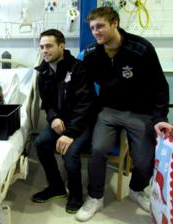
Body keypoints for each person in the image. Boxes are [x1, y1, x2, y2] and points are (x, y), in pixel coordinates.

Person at [76, 7, 169, 222]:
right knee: (97, 150)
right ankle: (95, 197)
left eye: (100, 26)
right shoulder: (91, 54)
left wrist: (160, 118)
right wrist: (93, 112)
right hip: (108, 111)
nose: (96, 32)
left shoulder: (141, 48)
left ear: (115, 23)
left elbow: (160, 86)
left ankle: (137, 190)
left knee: (145, 161)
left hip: (140, 112)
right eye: (92, 28)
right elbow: (85, 88)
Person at [31, 29, 97, 214]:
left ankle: (76, 195)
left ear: (62, 46)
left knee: (70, 154)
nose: (45, 50)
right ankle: (56, 186)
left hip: (81, 122)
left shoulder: (78, 68)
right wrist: (53, 118)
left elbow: (86, 105)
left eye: (49, 46)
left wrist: (70, 134)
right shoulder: (43, 72)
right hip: (60, 121)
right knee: (41, 143)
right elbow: (47, 102)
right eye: (42, 47)